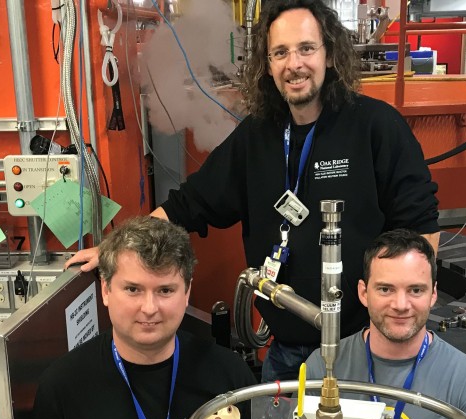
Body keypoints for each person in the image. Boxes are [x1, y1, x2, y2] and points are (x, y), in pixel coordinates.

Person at [67, 0, 439, 382]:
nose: (294, 64)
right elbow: (190, 203)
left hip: (363, 351)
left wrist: (400, 327)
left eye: (306, 49)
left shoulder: (376, 128)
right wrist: (118, 247)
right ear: (268, 65)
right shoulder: (258, 135)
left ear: (329, 55)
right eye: (280, 53)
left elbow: (420, 224)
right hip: (284, 353)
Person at [31, 216, 256, 419]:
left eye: (165, 290)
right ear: (106, 290)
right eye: (133, 289)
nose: (149, 308)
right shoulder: (63, 387)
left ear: (187, 292)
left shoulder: (229, 376)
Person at [305, 229, 466, 419]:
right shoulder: (322, 366)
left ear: (433, 294)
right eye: (385, 289)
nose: (400, 305)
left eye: (415, 290)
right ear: (364, 293)